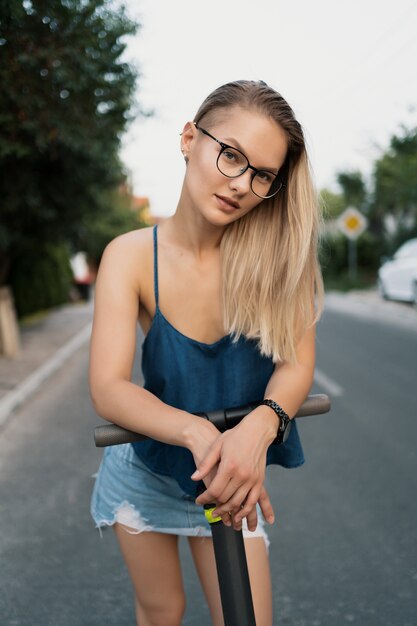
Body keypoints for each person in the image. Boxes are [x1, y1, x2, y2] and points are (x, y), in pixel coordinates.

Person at [89, 79, 324, 626]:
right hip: (146, 469)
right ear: (189, 138)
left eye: (262, 174)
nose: (242, 183)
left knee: (246, 619)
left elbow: (296, 363)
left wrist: (258, 429)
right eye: (232, 156)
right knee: (161, 611)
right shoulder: (129, 256)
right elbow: (108, 387)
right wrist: (200, 433)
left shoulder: (278, 258)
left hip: (228, 479)